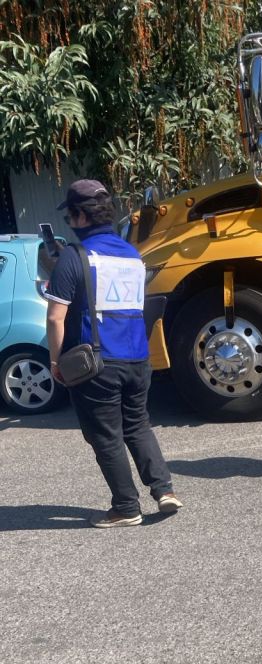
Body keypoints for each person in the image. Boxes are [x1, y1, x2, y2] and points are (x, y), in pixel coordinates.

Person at [45, 179, 182, 527]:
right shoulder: (132, 256)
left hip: (97, 363)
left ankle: (126, 507)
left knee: (106, 436)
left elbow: (56, 317)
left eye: (70, 216)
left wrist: (57, 361)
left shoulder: (74, 258)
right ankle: (163, 489)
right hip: (138, 357)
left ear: (78, 216)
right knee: (138, 425)